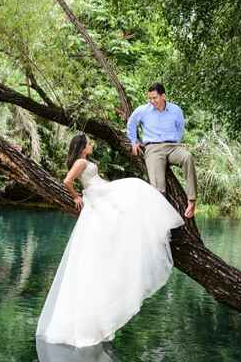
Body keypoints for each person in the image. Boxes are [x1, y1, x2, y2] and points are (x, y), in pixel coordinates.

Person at [36, 133, 184, 348]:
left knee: (135, 191)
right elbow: (67, 181)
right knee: (135, 187)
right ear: (83, 147)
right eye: (89, 143)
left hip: (101, 192)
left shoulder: (85, 161)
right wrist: (77, 197)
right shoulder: (80, 161)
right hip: (96, 196)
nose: (92, 144)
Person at [125, 83, 197, 218]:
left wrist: (176, 142)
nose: (152, 101)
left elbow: (180, 128)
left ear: (163, 96)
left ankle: (192, 201)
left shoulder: (176, 110)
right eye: (150, 98)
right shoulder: (142, 110)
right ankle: (160, 219)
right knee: (158, 187)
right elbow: (131, 123)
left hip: (173, 147)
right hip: (153, 149)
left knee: (188, 157)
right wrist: (134, 142)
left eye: (155, 98)